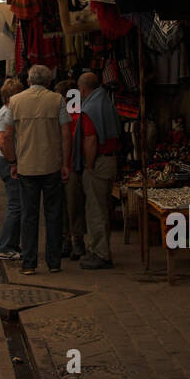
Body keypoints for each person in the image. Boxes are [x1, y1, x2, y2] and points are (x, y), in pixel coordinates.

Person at [3, 65, 72, 274]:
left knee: (29, 216)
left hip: (26, 166)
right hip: (52, 165)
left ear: (29, 81)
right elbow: (66, 133)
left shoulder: (15, 101)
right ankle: (53, 262)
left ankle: (29, 263)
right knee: (53, 215)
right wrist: (65, 163)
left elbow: (6, 136)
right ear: (49, 81)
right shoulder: (57, 100)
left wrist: (12, 161)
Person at [73, 70, 121, 270]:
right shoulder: (106, 102)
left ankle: (101, 253)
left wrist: (89, 165)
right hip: (110, 160)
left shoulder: (90, 108)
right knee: (103, 207)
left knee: (96, 209)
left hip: (99, 163)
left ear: (82, 89)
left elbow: (91, 140)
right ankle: (100, 249)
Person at [56, 78, 86, 260]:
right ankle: (70, 240)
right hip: (68, 165)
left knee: (71, 204)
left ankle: (75, 241)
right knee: (69, 205)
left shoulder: (75, 117)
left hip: (70, 165)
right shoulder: (73, 115)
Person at [0, 78, 23, 259]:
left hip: (7, 160)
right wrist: (13, 162)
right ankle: (5, 247)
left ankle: (11, 244)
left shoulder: (7, 111)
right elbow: (3, 142)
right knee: (15, 206)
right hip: (7, 161)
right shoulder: (6, 114)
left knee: (17, 205)